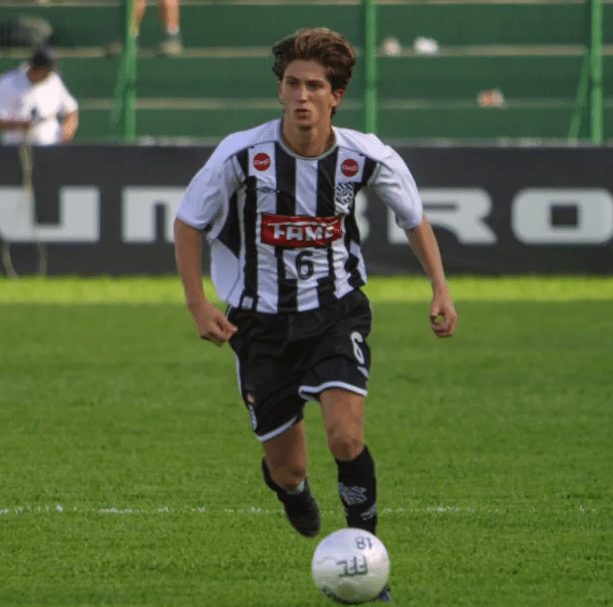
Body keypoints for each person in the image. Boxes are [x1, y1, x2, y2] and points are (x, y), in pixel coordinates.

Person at [173, 28, 458, 603]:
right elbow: (188, 222)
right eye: (292, 84)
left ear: (336, 96)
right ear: (280, 90)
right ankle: (290, 490)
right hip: (258, 324)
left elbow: (413, 217)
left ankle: (365, 561)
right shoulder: (242, 154)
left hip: (336, 311)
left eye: (315, 86)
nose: (301, 96)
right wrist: (199, 303)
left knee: (346, 438)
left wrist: (440, 289)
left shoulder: (365, 156)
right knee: (289, 469)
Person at [0, 47, 78, 146]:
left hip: (51, 148)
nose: (48, 76)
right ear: (36, 69)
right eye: (46, 72)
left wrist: (67, 132)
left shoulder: (53, 81)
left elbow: (71, 110)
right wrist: (22, 125)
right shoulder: (7, 82)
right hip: (16, 148)